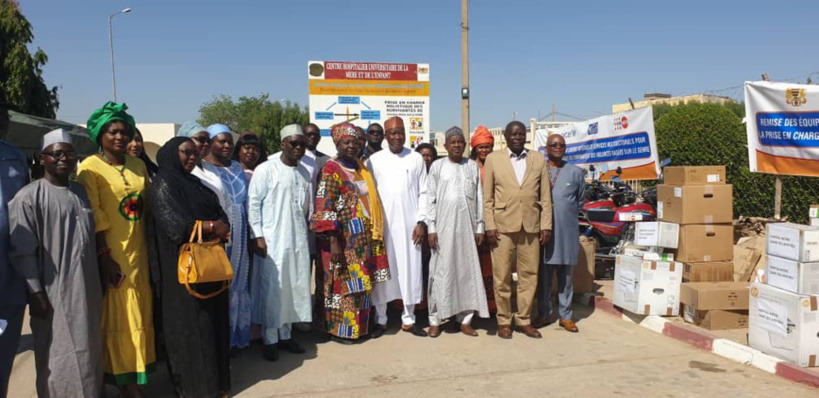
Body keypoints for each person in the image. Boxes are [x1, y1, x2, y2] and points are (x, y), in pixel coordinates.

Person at [8, 130, 104, 398]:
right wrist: (36, 291)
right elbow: (23, 252)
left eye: (69, 153)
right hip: (53, 294)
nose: (64, 158)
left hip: (88, 290)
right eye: (56, 153)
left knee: (90, 351)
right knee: (59, 355)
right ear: (42, 159)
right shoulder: (29, 197)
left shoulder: (80, 192)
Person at [76, 102, 155, 396]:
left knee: (140, 315)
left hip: (140, 253)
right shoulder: (89, 168)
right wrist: (104, 256)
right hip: (112, 253)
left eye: (124, 131)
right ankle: (124, 382)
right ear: (100, 135)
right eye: (113, 132)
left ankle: (137, 373)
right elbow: (94, 213)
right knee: (118, 317)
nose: (120, 137)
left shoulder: (138, 165)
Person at [148, 137, 231, 397]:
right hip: (180, 268)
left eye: (196, 153)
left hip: (208, 265)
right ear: (172, 153)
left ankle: (216, 384)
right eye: (187, 152)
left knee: (211, 324)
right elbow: (176, 226)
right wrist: (211, 226)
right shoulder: (163, 183)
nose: (193, 158)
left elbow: (219, 212)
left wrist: (218, 224)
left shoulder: (195, 183)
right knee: (192, 326)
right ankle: (194, 389)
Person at [312, 123, 389, 344]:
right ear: (337, 144)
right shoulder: (330, 170)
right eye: (346, 142)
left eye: (355, 142)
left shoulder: (360, 168)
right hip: (342, 241)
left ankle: (359, 328)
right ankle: (340, 331)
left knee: (360, 284)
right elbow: (324, 206)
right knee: (341, 286)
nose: (352, 146)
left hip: (362, 240)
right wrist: (334, 241)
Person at [483, 121, 552, 340]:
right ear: (505, 136)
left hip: (531, 225)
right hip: (502, 227)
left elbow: (545, 196)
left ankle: (524, 319)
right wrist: (490, 225)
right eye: (513, 134)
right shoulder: (493, 159)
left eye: (521, 134)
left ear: (525, 136)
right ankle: (504, 320)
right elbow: (487, 198)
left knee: (529, 275)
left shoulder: (538, 159)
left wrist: (546, 225)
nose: (517, 137)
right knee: (501, 276)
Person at [248, 125, 312, 361]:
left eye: (302, 144)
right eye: (293, 143)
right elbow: (253, 203)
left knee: (293, 287)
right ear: (282, 144)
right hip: (272, 240)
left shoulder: (304, 172)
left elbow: (305, 208)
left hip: (297, 240)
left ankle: (286, 335)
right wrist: (258, 235)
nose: (298, 148)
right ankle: (270, 339)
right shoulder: (266, 169)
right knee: (273, 290)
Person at [422, 127, 488, 338]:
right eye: (453, 142)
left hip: (467, 231)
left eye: (460, 142)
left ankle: (465, 320)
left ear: (465, 145)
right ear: (446, 145)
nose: (457, 145)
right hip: (442, 230)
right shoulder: (437, 166)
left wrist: (480, 227)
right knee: (440, 274)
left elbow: (479, 198)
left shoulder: (471, 166)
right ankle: (435, 319)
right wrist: (431, 228)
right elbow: (430, 199)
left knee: (466, 274)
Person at [366, 116, 427, 337]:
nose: (398, 136)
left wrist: (422, 221)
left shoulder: (416, 158)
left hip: (411, 227)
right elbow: (369, 194)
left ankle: (408, 319)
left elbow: (424, 192)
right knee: (383, 272)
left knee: (410, 271)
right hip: (383, 227)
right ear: (386, 135)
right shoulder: (374, 161)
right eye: (393, 133)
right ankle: (381, 319)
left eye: (401, 132)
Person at [203, 123, 252, 350]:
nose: (226, 145)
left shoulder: (237, 167)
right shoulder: (204, 169)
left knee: (239, 282)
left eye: (230, 141)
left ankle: (237, 336)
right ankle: (222, 341)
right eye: (221, 141)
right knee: (221, 284)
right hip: (218, 234)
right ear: (210, 143)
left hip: (241, 232)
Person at [534, 134, 584, 333]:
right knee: (544, 277)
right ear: (546, 148)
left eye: (562, 145)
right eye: (554, 145)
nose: (558, 147)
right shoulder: (539, 170)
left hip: (567, 233)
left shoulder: (575, 172)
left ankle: (566, 316)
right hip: (544, 233)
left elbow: (580, 201)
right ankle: (544, 313)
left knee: (566, 278)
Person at [0, 95, 30, 397]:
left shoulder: (15, 156)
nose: (3, 120)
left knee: (4, 349)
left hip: (10, 272)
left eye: (4, 114)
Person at [470, 126, 496, 313]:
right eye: (481, 147)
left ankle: (492, 306)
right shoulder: (469, 167)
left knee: (491, 266)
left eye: (488, 146)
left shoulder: (497, 166)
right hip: (472, 222)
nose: (484, 150)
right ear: (474, 148)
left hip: (493, 222)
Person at [176, 121, 228, 211]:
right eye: (201, 139)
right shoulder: (181, 170)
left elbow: (226, 199)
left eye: (209, 141)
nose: (206, 144)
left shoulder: (211, 168)